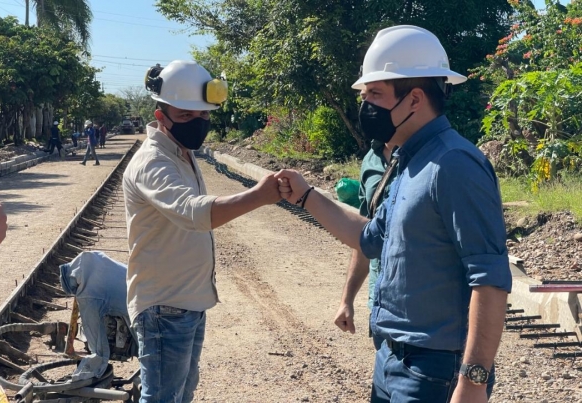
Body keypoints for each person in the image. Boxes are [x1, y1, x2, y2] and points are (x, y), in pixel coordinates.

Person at [275, 25, 512, 403]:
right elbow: (371, 239)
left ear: (415, 99)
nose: (364, 105)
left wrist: (473, 382)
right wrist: (307, 196)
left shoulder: (454, 165)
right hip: (392, 358)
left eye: (374, 94)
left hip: (434, 370)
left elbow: (490, 279)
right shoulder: (409, 161)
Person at [123, 60, 281, 403]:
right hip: (165, 306)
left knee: (181, 395)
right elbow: (194, 213)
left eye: (204, 116)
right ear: (160, 114)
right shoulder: (154, 161)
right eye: (186, 116)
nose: (198, 124)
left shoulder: (181, 151)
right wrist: (259, 195)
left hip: (187, 302)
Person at [333, 115, 395, 350]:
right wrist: (347, 299)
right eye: (364, 96)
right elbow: (366, 235)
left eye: (377, 94)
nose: (369, 106)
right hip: (379, 304)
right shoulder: (371, 159)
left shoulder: (435, 157)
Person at [60, 251, 134, 381]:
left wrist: (96, 363)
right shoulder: (94, 261)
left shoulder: (87, 294)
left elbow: (93, 331)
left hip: (138, 317)